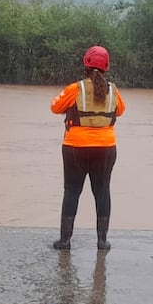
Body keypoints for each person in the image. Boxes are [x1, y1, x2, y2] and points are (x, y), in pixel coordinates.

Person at [50, 46, 126, 250]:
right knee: (102, 191)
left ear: (85, 64)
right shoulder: (113, 90)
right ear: (106, 67)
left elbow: (55, 107)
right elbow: (120, 111)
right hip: (106, 148)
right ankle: (102, 241)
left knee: (72, 191)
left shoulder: (76, 89)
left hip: (75, 147)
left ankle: (65, 241)